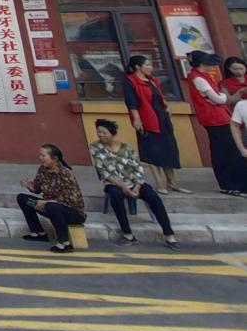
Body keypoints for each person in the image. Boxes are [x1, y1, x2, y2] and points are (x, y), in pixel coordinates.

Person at [89, 119, 178, 248]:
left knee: (153, 196)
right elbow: (105, 172)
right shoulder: (96, 148)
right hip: (115, 184)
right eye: (99, 132)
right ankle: (128, 234)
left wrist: (137, 185)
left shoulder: (126, 147)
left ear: (112, 133)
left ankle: (169, 234)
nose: (101, 135)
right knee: (115, 196)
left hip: (133, 182)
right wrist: (125, 189)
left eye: (104, 132)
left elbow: (137, 167)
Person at [122, 55, 187, 194]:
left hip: (161, 118)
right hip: (147, 120)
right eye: (147, 65)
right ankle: (159, 183)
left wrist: (166, 106)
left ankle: (172, 182)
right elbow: (132, 102)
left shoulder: (152, 81)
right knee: (153, 152)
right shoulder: (130, 81)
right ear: (138, 67)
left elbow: (159, 96)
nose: (150, 67)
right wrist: (137, 119)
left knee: (168, 149)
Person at [186, 51, 247, 196]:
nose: (213, 66)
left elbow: (218, 98)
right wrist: (222, 97)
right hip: (215, 119)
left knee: (223, 151)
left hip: (217, 117)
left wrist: (220, 98)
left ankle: (231, 184)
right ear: (203, 63)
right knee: (231, 151)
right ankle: (235, 185)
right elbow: (219, 99)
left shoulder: (202, 76)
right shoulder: (198, 78)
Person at [17, 143, 86, 252]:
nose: (40, 158)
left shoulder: (65, 173)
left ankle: (64, 243)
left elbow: (71, 199)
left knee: (51, 206)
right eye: (40, 155)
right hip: (48, 206)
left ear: (55, 158)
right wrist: (28, 185)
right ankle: (38, 233)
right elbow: (37, 189)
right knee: (23, 199)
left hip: (72, 213)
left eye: (43, 156)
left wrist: (46, 202)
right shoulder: (42, 170)